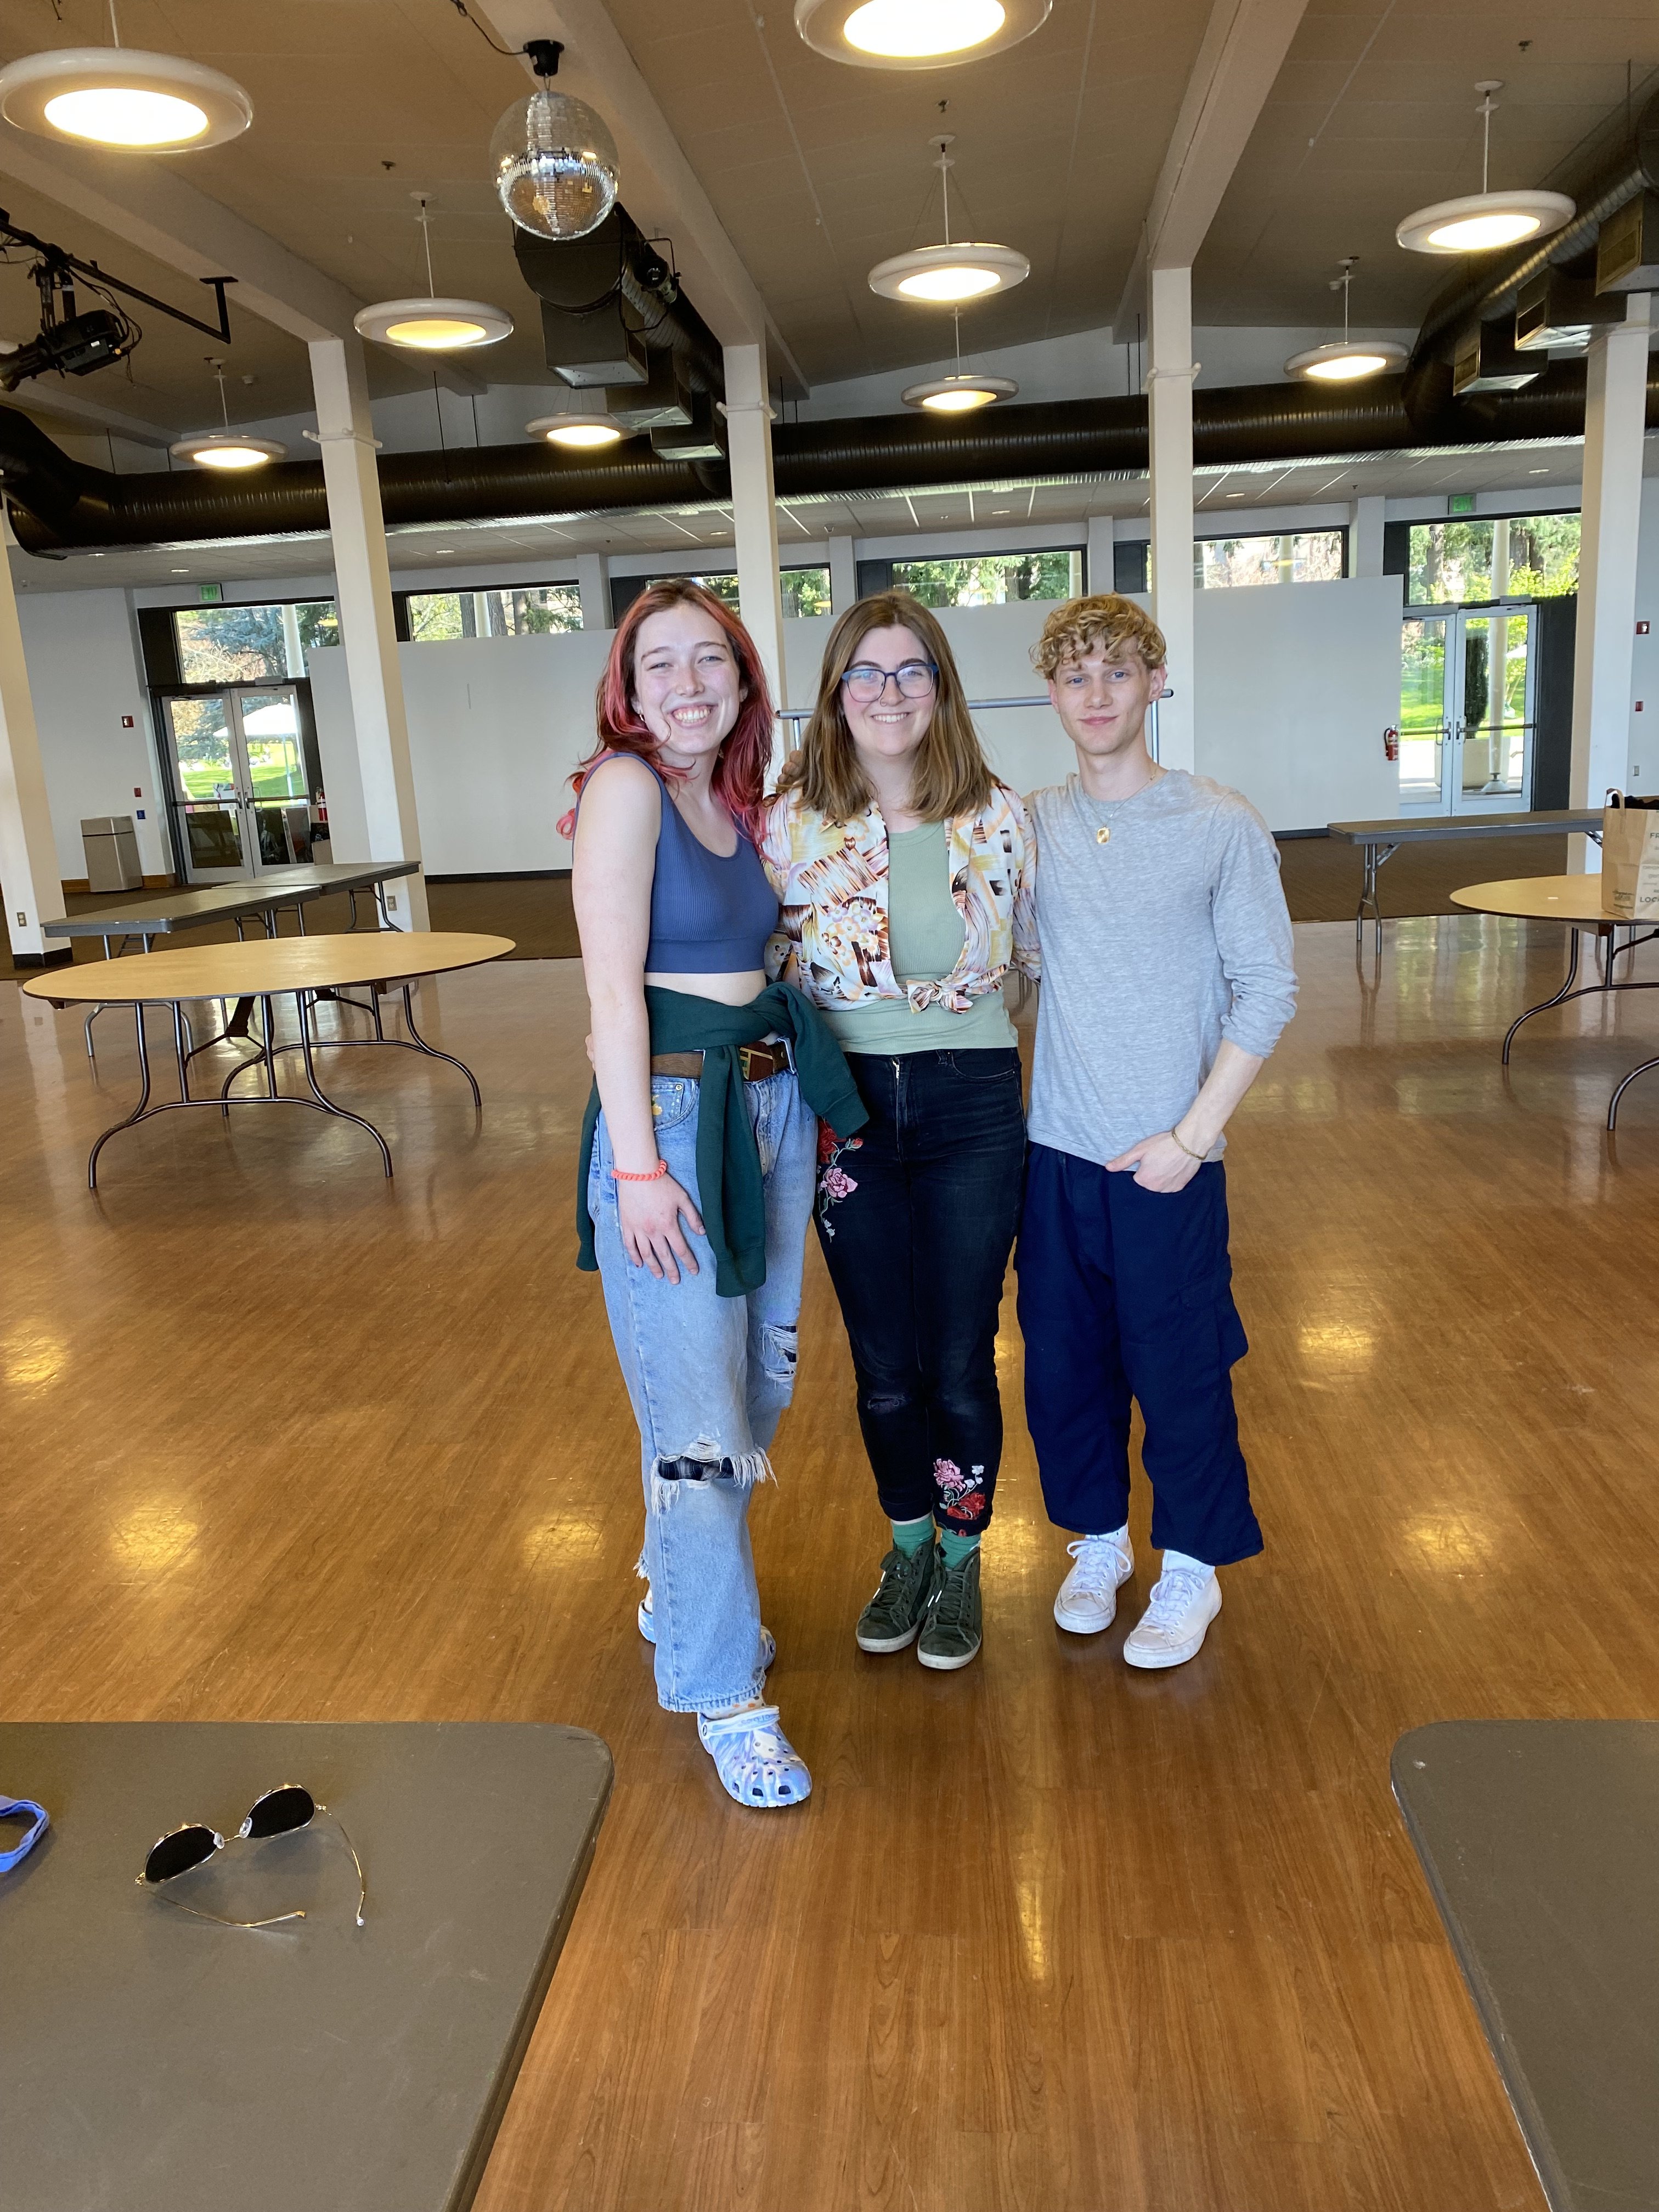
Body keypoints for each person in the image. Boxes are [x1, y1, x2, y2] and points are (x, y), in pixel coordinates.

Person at [571, 580, 866, 1809]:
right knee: (701, 1441)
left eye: (711, 664)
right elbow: (612, 998)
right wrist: (638, 1167)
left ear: (745, 682)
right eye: (661, 669)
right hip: (680, 1122)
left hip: (771, 1104)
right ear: (630, 694)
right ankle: (723, 1694)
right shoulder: (627, 789)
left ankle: (673, 1577)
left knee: (763, 1379)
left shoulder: (737, 801)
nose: (687, 686)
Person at [1015, 592, 1296, 1669]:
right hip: (1059, 1158)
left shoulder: (1219, 822)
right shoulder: (1031, 824)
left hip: (1169, 1166)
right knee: (1065, 1373)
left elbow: (1267, 989)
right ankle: (1099, 1546)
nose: (1097, 695)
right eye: (1076, 676)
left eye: (1118, 673)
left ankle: (1189, 1570)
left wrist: (1192, 1136)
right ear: (1051, 693)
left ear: (1155, 683)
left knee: (1180, 1373)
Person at [760, 590, 1038, 1673]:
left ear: (941, 688)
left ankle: (963, 1567)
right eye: (866, 674)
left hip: (974, 1101)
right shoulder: (786, 824)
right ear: (837, 693)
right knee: (885, 1365)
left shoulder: (999, 815)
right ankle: (908, 1548)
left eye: (910, 671)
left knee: (964, 1358)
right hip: (850, 1106)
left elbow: (1040, 965)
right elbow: (753, 968)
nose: (888, 693)